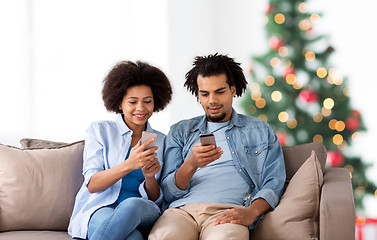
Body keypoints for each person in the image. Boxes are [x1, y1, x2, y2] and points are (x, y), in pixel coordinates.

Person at [149, 53, 286, 240]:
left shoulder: (259, 130)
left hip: (227, 212)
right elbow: (167, 192)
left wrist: (251, 212)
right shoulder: (181, 131)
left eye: (219, 92)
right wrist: (191, 164)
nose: (211, 100)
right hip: (181, 212)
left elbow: (274, 182)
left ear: (233, 90)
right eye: (204, 94)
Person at [68, 60, 172, 240]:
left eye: (147, 101)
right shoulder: (100, 131)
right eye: (132, 102)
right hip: (101, 208)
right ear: (119, 103)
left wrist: (149, 178)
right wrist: (129, 164)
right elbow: (92, 184)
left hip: (142, 211)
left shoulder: (162, 140)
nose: (141, 108)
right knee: (134, 238)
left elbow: (156, 198)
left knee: (133, 205)